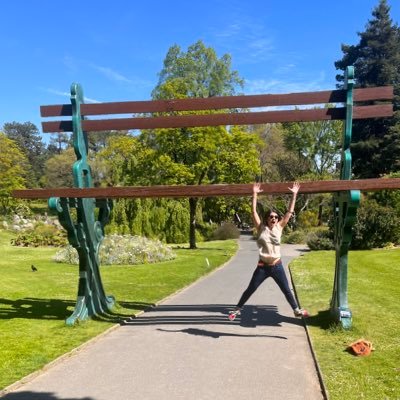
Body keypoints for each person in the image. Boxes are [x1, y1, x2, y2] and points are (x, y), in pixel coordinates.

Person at [229, 182, 309, 321]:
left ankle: (296, 310)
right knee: (251, 288)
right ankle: (237, 310)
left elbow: (289, 212)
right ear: (267, 218)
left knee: (286, 289)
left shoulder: (280, 227)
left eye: (276, 217)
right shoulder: (261, 227)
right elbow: (253, 211)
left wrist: (294, 194)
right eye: (271, 217)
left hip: (277, 266)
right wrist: (254, 193)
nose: (273, 218)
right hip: (263, 267)